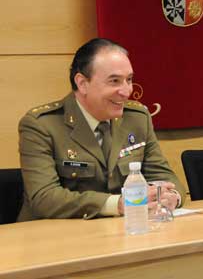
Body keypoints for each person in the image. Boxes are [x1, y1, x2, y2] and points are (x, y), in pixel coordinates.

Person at [18, 38, 186, 221]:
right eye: (114, 81)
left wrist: (172, 197)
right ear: (82, 83)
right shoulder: (42, 125)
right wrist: (119, 204)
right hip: (55, 239)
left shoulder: (137, 118)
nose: (126, 90)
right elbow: (44, 198)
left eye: (129, 80)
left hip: (124, 233)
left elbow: (165, 177)